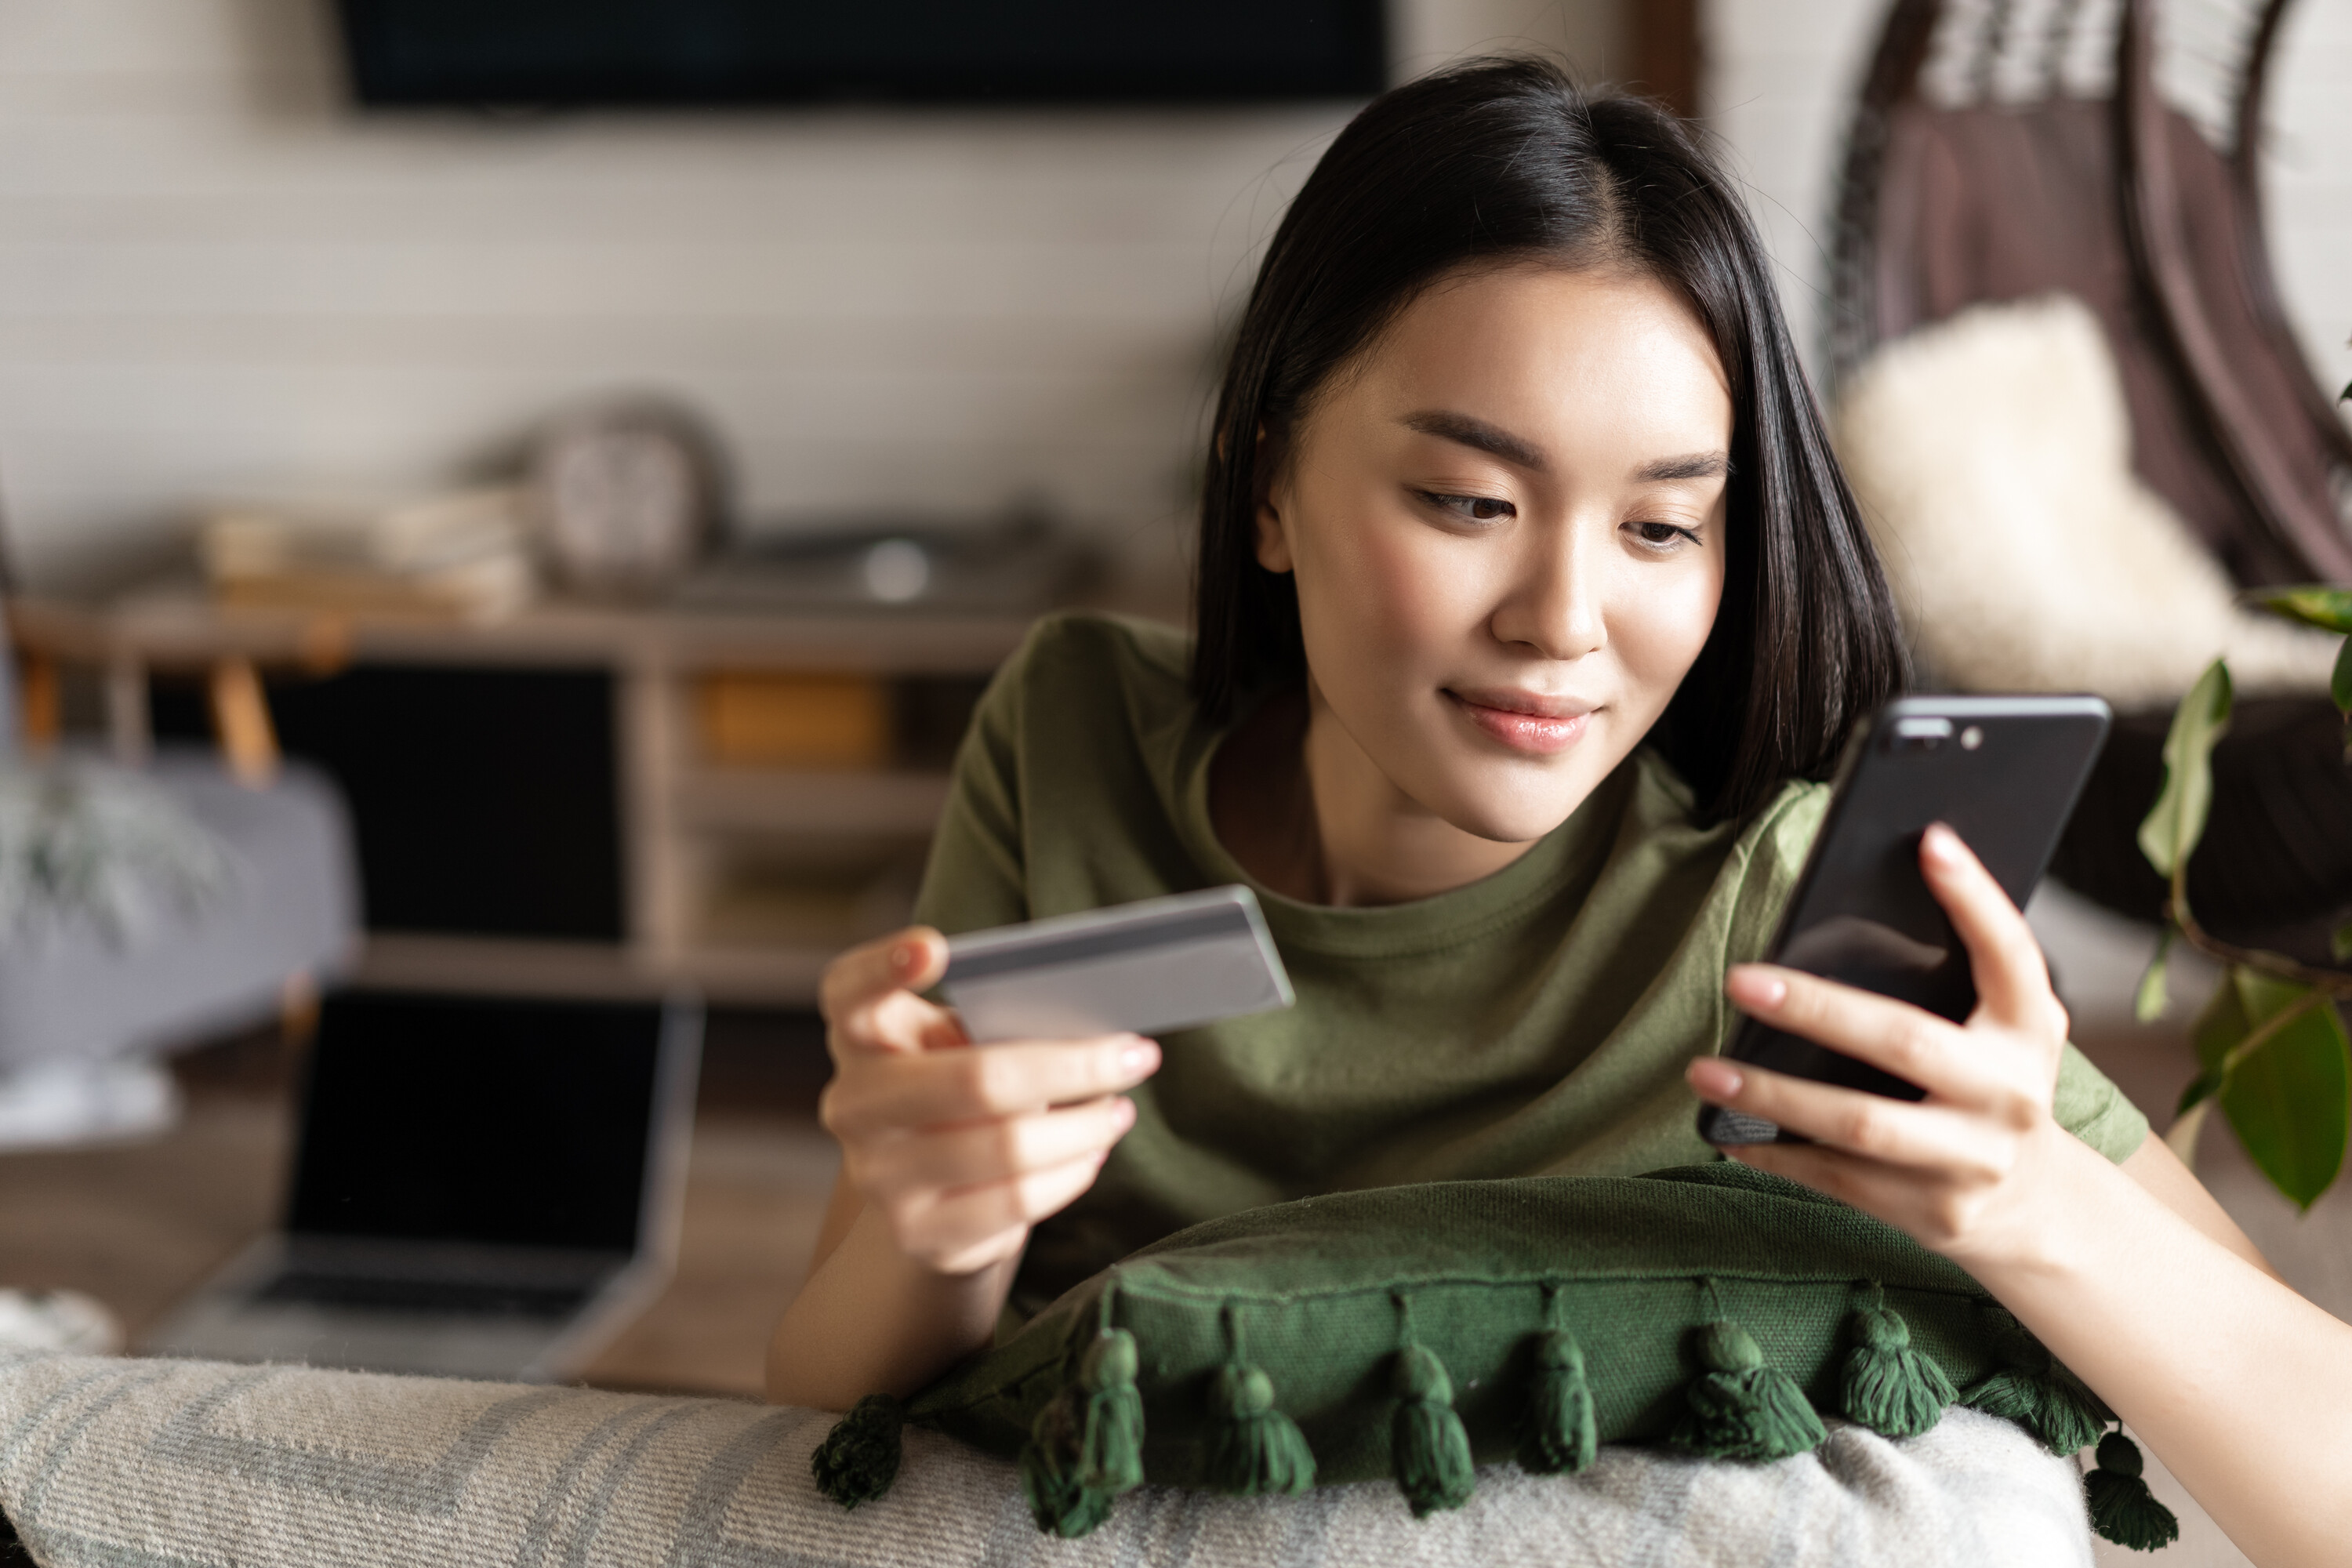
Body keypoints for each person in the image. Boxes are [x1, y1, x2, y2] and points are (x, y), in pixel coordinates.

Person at [769, 58, 2352, 1566]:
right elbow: (813, 1413)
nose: (1563, 618)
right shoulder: (1074, 741)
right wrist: (938, 1218)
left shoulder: (1781, 919)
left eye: (1664, 526)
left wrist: (2029, 1196)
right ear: (1267, 490)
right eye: (1471, 502)